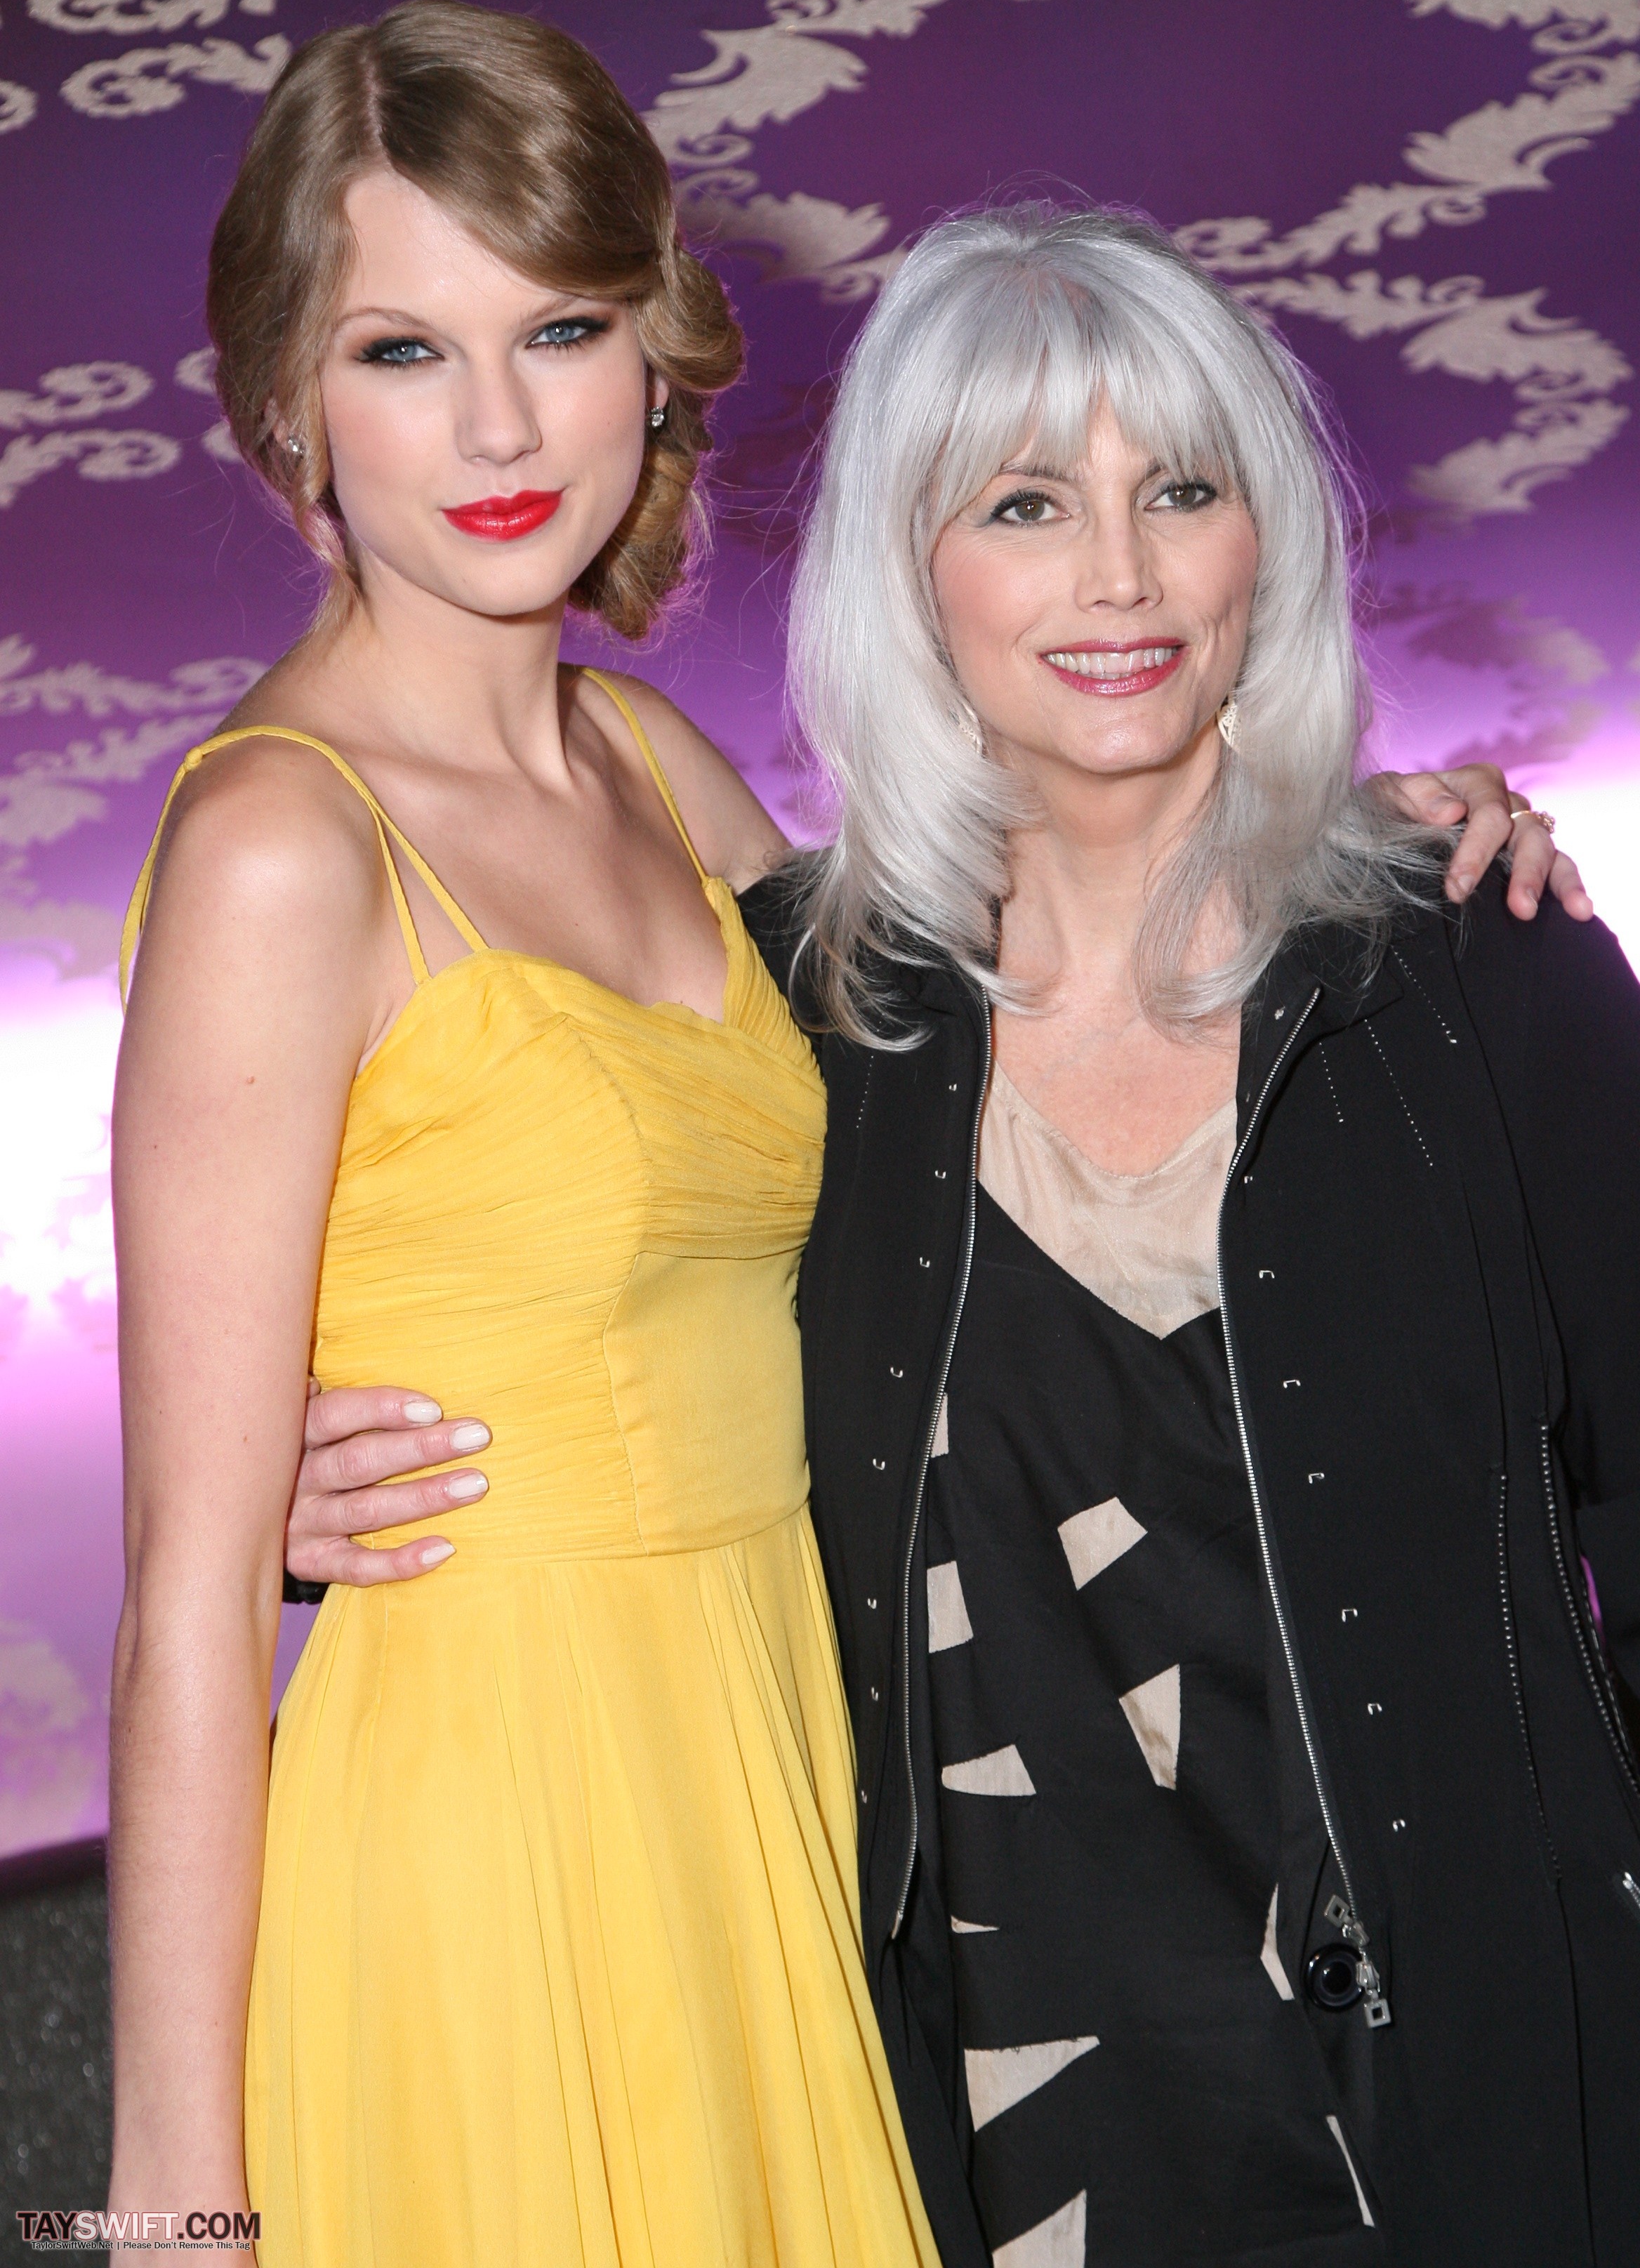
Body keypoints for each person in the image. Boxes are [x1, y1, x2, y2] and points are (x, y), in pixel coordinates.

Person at [284, 207, 1631, 2267]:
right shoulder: (800, 1033)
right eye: (1024, 504)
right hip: (1011, 2154)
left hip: (1487, 2127)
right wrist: (311, 1485)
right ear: (913, 572)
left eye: (1181, 490)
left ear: (1265, 540)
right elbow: (621, 1327)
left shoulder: (1477, 968)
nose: (1120, 576)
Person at [110, 0, 943, 2267]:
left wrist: (1323, 848)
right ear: (289, 401)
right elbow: (191, 1593)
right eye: (403, 351)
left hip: (761, 1772)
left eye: (558, 330)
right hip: (488, 1847)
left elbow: (978, 1105)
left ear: (649, 356)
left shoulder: (654, 766)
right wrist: (174, 2214)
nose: (497, 426)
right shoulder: (283, 847)